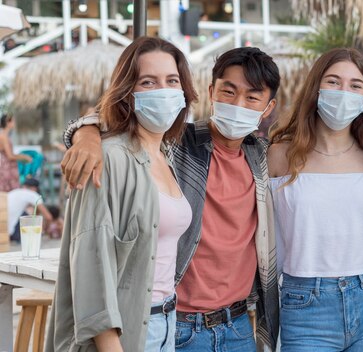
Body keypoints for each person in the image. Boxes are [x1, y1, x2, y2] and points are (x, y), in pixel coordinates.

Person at [57, 47, 281, 351]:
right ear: (211, 91)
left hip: (239, 324)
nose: (238, 104)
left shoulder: (262, 156)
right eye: (229, 92)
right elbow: (122, 122)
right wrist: (85, 134)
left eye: (252, 98)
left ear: (267, 109)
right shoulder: (178, 143)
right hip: (178, 324)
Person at [46, 37, 196, 352]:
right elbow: (91, 265)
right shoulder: (109, 157)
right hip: (127, 332)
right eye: (148, 82)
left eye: (171, 81)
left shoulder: (168, 154)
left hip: (168, 323)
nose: (163, 90)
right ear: (128, 93)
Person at [268, 48, 363, 351]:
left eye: (356, 85)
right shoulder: (279, 156)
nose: (344, 92)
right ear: (316, 88)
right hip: (304, 305)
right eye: (333, 81)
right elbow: (267, 235)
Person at [7, 178, 52, 242]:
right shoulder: (32, 194)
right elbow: (48, 217)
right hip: (14, 233)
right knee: (30, 209)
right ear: (35, 188)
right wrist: (46, 230)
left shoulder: (14, 192)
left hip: (4, 233)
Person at [0, 114, 32, 191]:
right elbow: (10, 156)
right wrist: (24, 157)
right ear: (8, 123)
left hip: (9, 167)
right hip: (7, 168)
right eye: (13, 121)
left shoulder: (5, 136)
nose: (14, 123)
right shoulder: (3, 136)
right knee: (9, 193)